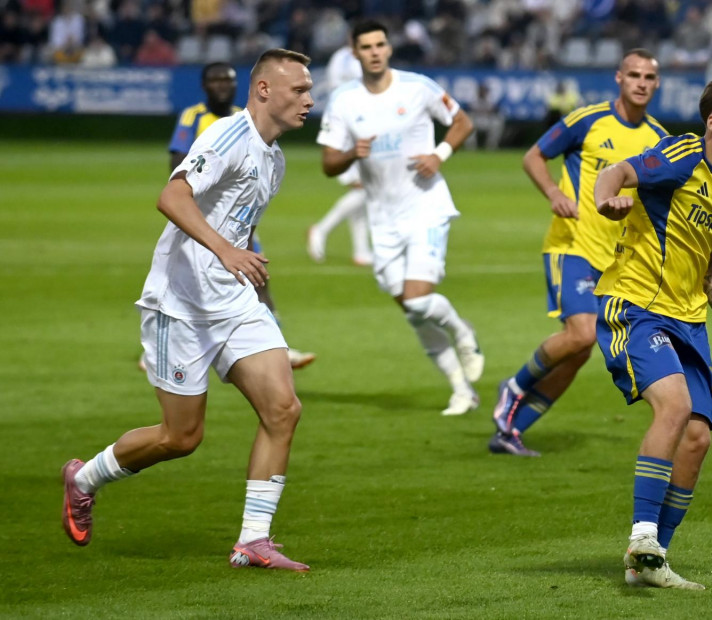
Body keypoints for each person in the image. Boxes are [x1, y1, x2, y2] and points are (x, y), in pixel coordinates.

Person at [62, 49, 316, 572]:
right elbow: (173, 197)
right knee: (181, 437)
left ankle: (253, 540)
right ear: (264, 90)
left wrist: (239, 263)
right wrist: (226, 250)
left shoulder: (275, 158)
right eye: (299, 90)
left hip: (234, 301)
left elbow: (238, 224)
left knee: (283, 409)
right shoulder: (226, 136)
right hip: (180, 304)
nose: (309, 100)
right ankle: (83, 479)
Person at [592, 72, 712, 589]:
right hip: (636, 304)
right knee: (673, 407)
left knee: (697, 438)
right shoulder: (681, 155)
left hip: (689, 318)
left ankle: (650, 564)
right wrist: (608, 200)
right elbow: (617, 171)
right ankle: (642, 537)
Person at [490, 49, 667, 457]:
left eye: (649, 77)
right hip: (572, 245)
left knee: (580, 351)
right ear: (619, 78)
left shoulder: (659, 139)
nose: (641, 83)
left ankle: (510, 430)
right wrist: (554, 193)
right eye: (634, 75)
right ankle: (513, 387)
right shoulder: (588, 120)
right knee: (582, 334)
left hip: (615, 261)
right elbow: (534, 155)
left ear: (657, 84)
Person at [317, 20, 483, 416]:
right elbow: (328, 162)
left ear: (389, 48)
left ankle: (462, 331)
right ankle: (461, 389)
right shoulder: (343, 101)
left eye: (380, 45)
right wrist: (351, 153)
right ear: (354, 53)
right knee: (413, 311)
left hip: (425, 206)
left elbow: (463, 122)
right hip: (382, 218)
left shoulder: (418, 87)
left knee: (418, 299)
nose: (374, 52)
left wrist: (438, 155)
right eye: (366, 47)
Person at [167, 61, 316, 370]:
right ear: (204, 86)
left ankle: (275, 344)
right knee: (189, 289)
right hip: (203, 221)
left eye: (228, 80)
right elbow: (177, 173)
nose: (222, 85)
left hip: (239, 224)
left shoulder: (250, 124)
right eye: (216, 80)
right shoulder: (197, 118)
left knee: (259, 280)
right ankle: (165, 345)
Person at [306, 43, 373, 266]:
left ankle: (361, 251)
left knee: (360, 189)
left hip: (350, 120)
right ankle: (321, 229)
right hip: (350, 124)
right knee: (364, 189)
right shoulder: (353, 60)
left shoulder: (338, 57)